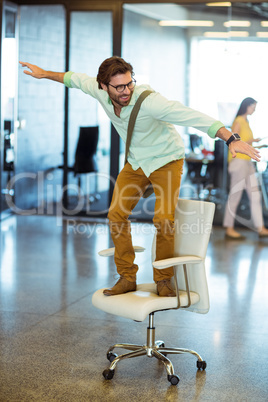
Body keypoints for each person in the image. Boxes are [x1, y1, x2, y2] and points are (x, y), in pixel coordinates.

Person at [19, 57, 260, 297]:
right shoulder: (98, 89)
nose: (126, 91)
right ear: (103, 86)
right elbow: (72, 79)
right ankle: (127, 277)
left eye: (129, 83)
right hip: (137, 162)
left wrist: (231, 138)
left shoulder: (150, 102)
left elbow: (192, 116)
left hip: (167, 160)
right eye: (119, 87)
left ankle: (164, 279)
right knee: (116, 213)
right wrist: (44, 74)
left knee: (164, 218)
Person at [223, 97, 268, 240]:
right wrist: (253, 141)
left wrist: (257, 145)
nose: (254, 109)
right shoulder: (238, 121)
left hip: (248, 163)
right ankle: (229, 229)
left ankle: (261, 228)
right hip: (238, 163)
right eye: (253, 106)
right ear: (246, 106)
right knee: (235, 195)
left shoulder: (247, 122)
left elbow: (246, 145)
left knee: (255, 196)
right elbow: (234, 141)